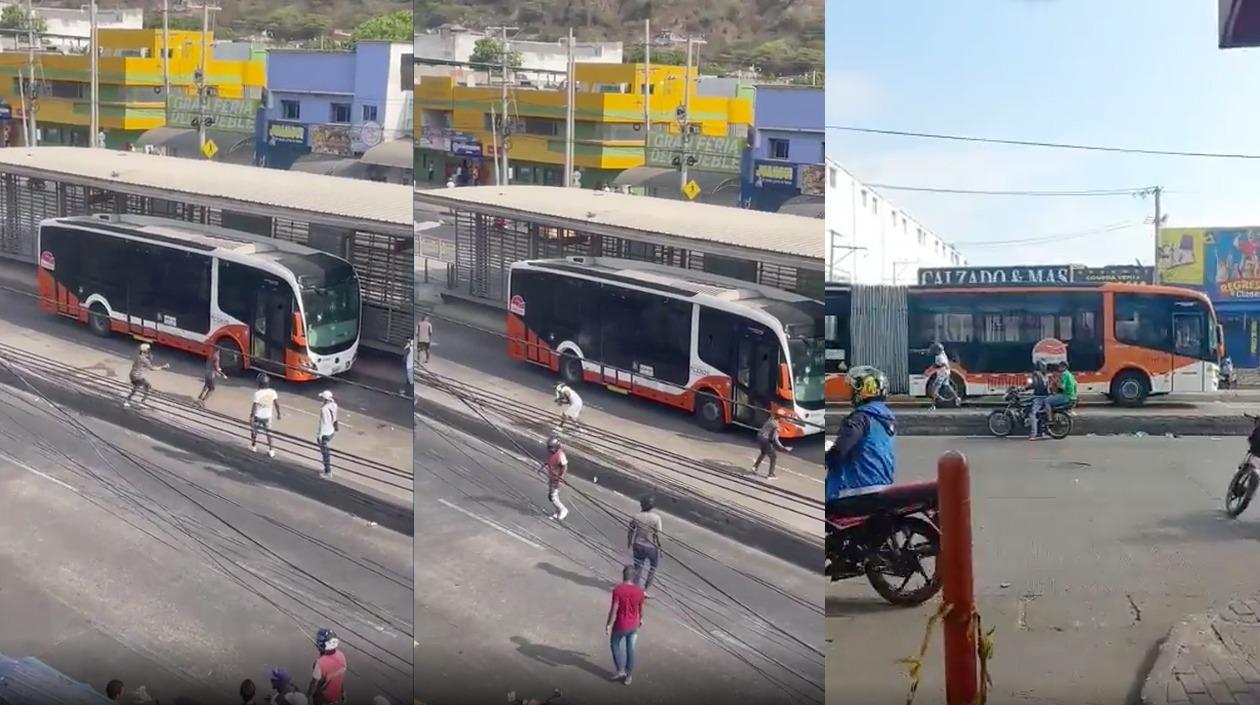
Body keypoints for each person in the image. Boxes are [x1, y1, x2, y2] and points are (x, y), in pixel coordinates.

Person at [825, 366, 896, 514]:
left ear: (864, 390)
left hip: (856, 491)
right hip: (884, 488)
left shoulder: (859, 418)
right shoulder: (886, 419)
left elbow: (840, 451)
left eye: (853, 389)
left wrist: (828, 457)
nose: (851, 394)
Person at [605, 564, 646, 686]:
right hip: (633, 625)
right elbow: (640, 608)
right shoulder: (640, 592)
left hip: (621, 624)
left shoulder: (618, 590)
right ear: (634, 577)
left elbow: (614, 609)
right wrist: (641, 619)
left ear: (623, 575)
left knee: (615, 644)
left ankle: (620, 669)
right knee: (630, 649)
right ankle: (629, 676)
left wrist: (608, 624)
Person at [627, 495, 663, 592]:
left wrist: (629, 542)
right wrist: (659, 547)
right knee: (653, 568)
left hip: (638, 545)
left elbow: (630, 530)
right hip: (652, 547)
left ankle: (636, 587)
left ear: (641, 505)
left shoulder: (636, 516)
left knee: (638, 567)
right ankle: (645, 590)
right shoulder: (656, 518)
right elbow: (658, 534)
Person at [308, 628, 347, 705]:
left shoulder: (319, 663)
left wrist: (307, 696)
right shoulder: (341, 655)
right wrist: (342, 691)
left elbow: (314, 685)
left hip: (323, 701)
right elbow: (340, 677)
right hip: (337, 698)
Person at [124, 343, 168, 408]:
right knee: (146, 386)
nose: (149, 351)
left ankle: (129, 400)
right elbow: (152, 368)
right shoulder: (144, 359)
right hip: (137, 377)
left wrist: (149, 358)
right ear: (145, 350)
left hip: (133, 375)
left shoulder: (139, 356)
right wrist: (163, 367)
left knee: (138, 387)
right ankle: (139, 402)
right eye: (148, 349)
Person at [752, 409, 793, 480]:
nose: (784, 419)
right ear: (780, 417)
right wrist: (783, 448)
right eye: (784, 417)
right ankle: (770, 474)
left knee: (763, 452)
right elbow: (775, 439)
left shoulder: (771, 419)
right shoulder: (775, 425)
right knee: (773, 457)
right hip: (765, 439)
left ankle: (755, 467)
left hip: (760, 436)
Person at [250, 373, 281, 458]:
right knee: (269, 434)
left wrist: (252, 416)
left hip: (258, 416)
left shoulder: (257, 393)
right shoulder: (272, 392)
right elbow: (277, 404)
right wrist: (278, 414)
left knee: (254, 432)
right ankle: (271, 450)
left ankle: (253, 446)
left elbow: (254, 406)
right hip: (267, 417)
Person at [539, 434, 569, 521]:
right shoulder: (550, 453)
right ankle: (558, 510)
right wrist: (543, 466)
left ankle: (563, 509)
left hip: (557, 478)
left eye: (551, 448)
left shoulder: (560, 455)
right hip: (551, 476)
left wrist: (560, 479)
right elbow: (549, 461)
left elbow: (564, 467)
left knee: (553, 496)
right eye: (549, 447)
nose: (550, 449)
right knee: (551, 496)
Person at [1026, 361, 1051, 440]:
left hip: (1039, 397)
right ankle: (1041, 432)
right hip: (1046, 396)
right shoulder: (1045, 375)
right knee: (1039, 414)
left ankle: (1033, 434)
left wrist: (1025, 388)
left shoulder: (1036, 374)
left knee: (1032, 414)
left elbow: (1035, 384)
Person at [317, 390, 339, 477]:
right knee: (325, 451)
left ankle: (327, 471)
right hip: (331, 431)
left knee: (325, 452)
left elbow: (324, 423)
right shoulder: (334, 405)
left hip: (325, 433)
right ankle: (327, 469)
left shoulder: (324, 409)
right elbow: (335, 418)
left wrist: (320, 435)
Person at [927, 342, 950, 410]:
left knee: (934, 390)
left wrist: (933, 370)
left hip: (942, 375)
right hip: (944, 374)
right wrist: (930, 369)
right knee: (943, 387)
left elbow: (944, 365)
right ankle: (956, 398)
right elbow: (936, 365)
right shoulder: (941, 355)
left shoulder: (940, 357)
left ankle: (934, 405)